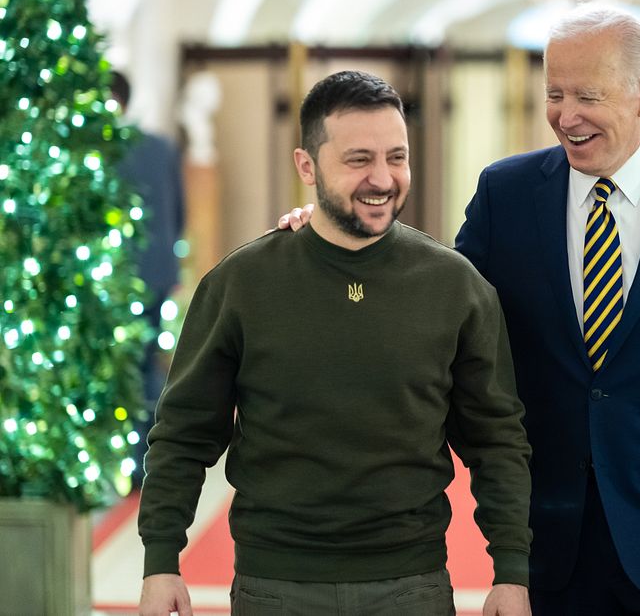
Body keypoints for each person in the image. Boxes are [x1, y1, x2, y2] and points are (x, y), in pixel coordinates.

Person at [281, 7, 640, 616]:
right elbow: (433, 301)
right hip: (545, 538)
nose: (565, 116)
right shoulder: (507, 194)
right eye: (554, 93)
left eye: (586, 95)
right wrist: (336, 240)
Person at [137, 70, 532, 616]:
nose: (382, 178)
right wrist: (161, 560)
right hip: (274, 583)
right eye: (358, 159)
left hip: (411, 583)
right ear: (306, 166)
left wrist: (511, 571)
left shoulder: (455, 286)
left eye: (397, 157)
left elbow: (497, 440)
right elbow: (182, 434)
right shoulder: (241, 285)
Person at [110, 71, 186, 488]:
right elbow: (180, 212)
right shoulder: (161, 148)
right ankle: (145, 462)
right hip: (157, 271)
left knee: (119, 369)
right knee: (148, 368)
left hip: (115, 278)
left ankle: (121, 462)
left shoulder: (102, 149)